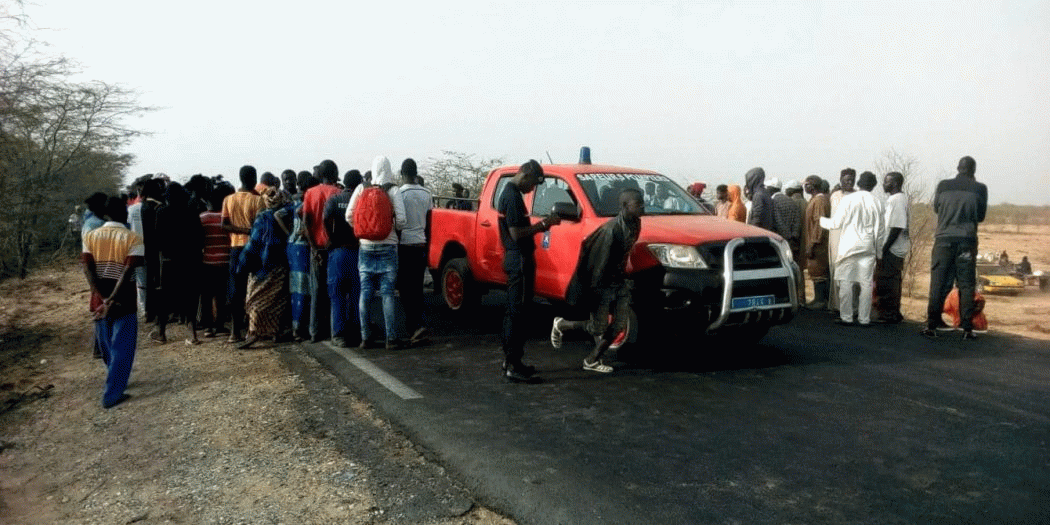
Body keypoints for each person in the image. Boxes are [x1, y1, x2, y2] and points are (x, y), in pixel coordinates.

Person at [552, 188, 643, 373]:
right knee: (597, 327)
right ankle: (562, 325)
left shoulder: (636, 223)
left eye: (642, 203)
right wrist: (596, 292)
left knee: (619, 324)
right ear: (625, 206)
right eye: (638, 204)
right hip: (603, 283)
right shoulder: (610, 230)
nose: (643, 207)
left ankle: (592, 360)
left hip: (620, 281)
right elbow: (599, 264)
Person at [497, 160, 560, 382]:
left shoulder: (511, 193)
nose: (532, 189)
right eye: (532, 183)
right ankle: (512, 365)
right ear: (525, 175)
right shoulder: (513, 196)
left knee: (515, 312)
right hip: (519, 260)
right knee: (517, 314)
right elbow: (516, 233)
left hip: (517, 259)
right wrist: (544, 225)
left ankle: (512, 361)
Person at [82, 196, 143, 409]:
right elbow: (127, 271)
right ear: (125, 213)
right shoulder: (133, 238)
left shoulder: (90, 236)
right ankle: (112, 394)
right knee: (122, 347)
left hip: (99, 299)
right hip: (123, 299)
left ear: (105, 214)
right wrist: (113, 299)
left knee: (107, 346)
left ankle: (115, 380)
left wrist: (100, 297)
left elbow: (88, 268)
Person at [923, 156, 987, 340]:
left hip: (943, 240)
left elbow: (937, 209)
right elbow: (981, 216)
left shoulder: (943, 185)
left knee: (938, 282)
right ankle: (967, 328)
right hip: (967, 241)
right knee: (966, 284)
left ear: (958, 168)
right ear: (973, 170)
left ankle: (931, 325)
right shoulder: (980, 188)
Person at [347, 156, 407, 349]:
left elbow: (349, 215)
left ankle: (366, 338)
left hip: (365, 247)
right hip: (388, 246)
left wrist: (362, 230)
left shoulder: (361, 188)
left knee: (365, 292)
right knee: (388, 293)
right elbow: (402, 220)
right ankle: (391, 339)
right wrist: (391, 228)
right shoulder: (393, 190)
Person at [820, 172, 885, 326]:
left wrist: (821, 221)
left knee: (846, 283)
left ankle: (847, 317)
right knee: (866, 284)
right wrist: (879, 253)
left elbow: (836, 224)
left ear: (859, 183)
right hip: (868, 246)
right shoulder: (877, 202)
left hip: (848, 247)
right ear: (873, 186)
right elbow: (880, 231)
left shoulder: (847, 200)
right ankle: (864, 319)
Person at [238, 187, 294, 348]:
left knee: (255, 299)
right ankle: (275, 332)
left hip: (263, 266)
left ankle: (254, 332)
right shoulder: (289, 214)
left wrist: (242, 263)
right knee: (278, 301)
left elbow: (254, 243)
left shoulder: (263, 217)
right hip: (282, 264)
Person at [152, 183, 204, 344]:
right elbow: (200, 238)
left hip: (169, 261)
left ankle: (161, 333)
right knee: (190, 297)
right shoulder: (192, 212)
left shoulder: (161, 212)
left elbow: (158, 240)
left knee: (165, 298)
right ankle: (193, 334)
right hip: (190, 260)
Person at [222, 165, 266, 343]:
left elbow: (224, 225)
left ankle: (234, 331)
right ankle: (252, 329)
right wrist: (248, 231)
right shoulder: (258, 201)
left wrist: (239, 230)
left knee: (236, 289)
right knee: (254, 289)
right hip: (254, 249)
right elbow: (261, 227)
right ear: (254, 179)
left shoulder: (228, 199)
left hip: (235, 248)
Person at [301, 160, 342, 343]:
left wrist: (313, 248)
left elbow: (306, 224)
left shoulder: (310, 193)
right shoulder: (338, 193)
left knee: (316, 291)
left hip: (315, 248)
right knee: (335, 292)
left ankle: (315, 332)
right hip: (333, 248)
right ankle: (335, 330)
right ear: (334, 174)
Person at [323, 170, 363, 348]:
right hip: (357, 251)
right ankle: (356, 332)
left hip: (338, 252)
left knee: (337, 294)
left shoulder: (334, 200)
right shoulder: (361, 200)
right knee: (356, 294)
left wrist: (331, 238)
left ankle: (338, 334)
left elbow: (325, 218)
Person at [396, 158, 433, 345]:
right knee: (417, 289)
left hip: (404, 246)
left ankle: (414, 327)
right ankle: (419, 325)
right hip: (421, 244)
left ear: (402, 174)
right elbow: (429, 223)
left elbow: (398, 223)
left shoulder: (400, 194)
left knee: (405, 289)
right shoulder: (427, 194)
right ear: (416, 173)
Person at [285, 173, 317, 341]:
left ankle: (295, 326)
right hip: (302, 248)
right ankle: (298, 329)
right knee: (303, 289)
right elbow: (300, 213)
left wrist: (288, 234)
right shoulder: (305, 202)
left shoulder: (294, 201)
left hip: (291, 246)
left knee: (296, 289)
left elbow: (278, 215)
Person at [874, 171, 909, 324]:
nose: (883, 184)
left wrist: (884, 249)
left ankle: (890, 313)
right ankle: (893, 312)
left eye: (886, 182)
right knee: (891, 281)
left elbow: (896, 227)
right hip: (893, 248)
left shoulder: (897, 200)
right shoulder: (895, 199)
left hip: (893, 249)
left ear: (894, 183)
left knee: (888, 281)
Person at [199, 183, 234, 337]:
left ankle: (207, 327)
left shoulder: (202, 218)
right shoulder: (226, 219)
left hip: (207, 262)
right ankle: (219, 325)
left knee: (206, 296)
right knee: (220, 295)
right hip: (224, 261)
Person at [770, 177, 804, 303]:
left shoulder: (773, 202)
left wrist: (784, 236)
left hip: (780, 242)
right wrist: (793, 235)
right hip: (792, 241)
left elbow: (778, 221)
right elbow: (797, 221)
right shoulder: (791, 201)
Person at [828, 168, 857, 312]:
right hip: (835, 239)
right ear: (840, 180)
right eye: (846, 179)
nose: (849, 182)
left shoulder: (858, 196)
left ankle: (852, 307)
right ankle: (837, 305)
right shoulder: (835, 195)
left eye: (852, 179)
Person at [803, 175, 831, 309]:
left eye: (807, 184)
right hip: (814, 242)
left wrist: (813, 243)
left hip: (818, 244)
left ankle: (821, 301)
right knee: (814, 271)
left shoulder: (819, 201)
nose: (805, 187)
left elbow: (819, 224)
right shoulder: (814, 200)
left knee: (819, 271)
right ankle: (817, 299)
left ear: (813, 185)